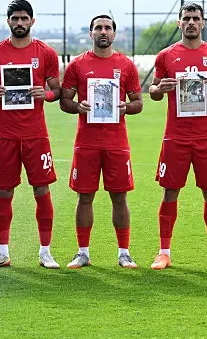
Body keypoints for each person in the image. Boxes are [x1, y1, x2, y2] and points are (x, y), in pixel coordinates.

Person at [147, 3, 207, 270]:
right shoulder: (166, 56)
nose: (191, 23)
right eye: (186, 19)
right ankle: (163, 252)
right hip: (175, 136)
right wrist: (158, 88)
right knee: (170, 191)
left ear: (203, 23)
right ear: (179, 23)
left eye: (196, 18)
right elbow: (154, 91)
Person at [0, 0, 62, 269]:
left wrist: (46, 94)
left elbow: (57, 91)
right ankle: (2, 252)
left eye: (24, 18)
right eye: (14, 18)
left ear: (32, 21)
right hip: (5, 135)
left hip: (36, 135)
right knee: (4, 192)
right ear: (8, 22)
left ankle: (45, 251)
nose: (19, 23)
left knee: (41, 189)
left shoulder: (46, 53)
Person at [59, 14, 144, 269]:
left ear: (114, 34)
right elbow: (64, 101)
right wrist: (78, 106)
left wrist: (125, 107)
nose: (103, 31)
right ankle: (83, 252)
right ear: (91, 33)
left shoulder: (126, 65)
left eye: (108, 28)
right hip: (86, 142)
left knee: (120, 197)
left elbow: (139, 103)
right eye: (98, 28)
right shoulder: (77, 65)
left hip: (117, 143)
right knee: (85, 197)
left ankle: (124, 252)